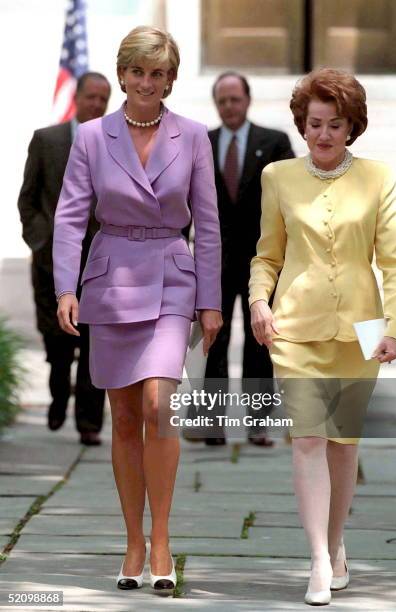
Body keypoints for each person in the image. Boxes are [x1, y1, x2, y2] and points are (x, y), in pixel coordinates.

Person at [53, 26, 222, 591]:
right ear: (123, 73)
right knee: (123, 416)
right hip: (111, 280)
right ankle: (132, 543)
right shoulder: (91, 137)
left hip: (173, 279)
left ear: (171, 80)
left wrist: (211, 301)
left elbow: (210, 226)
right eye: (138, 71)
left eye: (159, 73)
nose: (147, 82)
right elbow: (71, 217)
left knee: (158, 405)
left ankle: (164, 539)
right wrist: (64, 288)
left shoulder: (194, 136)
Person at [249, 68, 396, 605]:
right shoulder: (277, 177)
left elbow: (395, 261)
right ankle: (318, 558)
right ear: (302, 124)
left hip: (362, 331)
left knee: (344, 447)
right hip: (293, 328)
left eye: (334, 125)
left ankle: (337, 544)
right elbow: (267, 255)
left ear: (351, 126)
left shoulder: (378, 177)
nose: (322, 135)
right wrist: (256, 301)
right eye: (314, 124)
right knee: (309, 440)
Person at [17, 72, 111, 445]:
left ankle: (89, 423)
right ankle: (59, 390)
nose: (97, 105)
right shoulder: (48, 140)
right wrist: (41, 241)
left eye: (104, 99)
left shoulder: (113, 143)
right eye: (91, 97)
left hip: (100, 262)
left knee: (95, 343)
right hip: (51, 261)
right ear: (78, 97)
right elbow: (28, 198)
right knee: (58, 342)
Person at [202, 71, 295, 447]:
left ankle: (258, 424)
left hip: (262, 261)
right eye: (222, 101)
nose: (229, 107)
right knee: (214, 340)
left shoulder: (273, 143)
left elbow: (291, 201)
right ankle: (211, 423)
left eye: (234, 99)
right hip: (214, 262)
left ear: (248, 100)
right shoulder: (201, 143)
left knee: (260, 341)